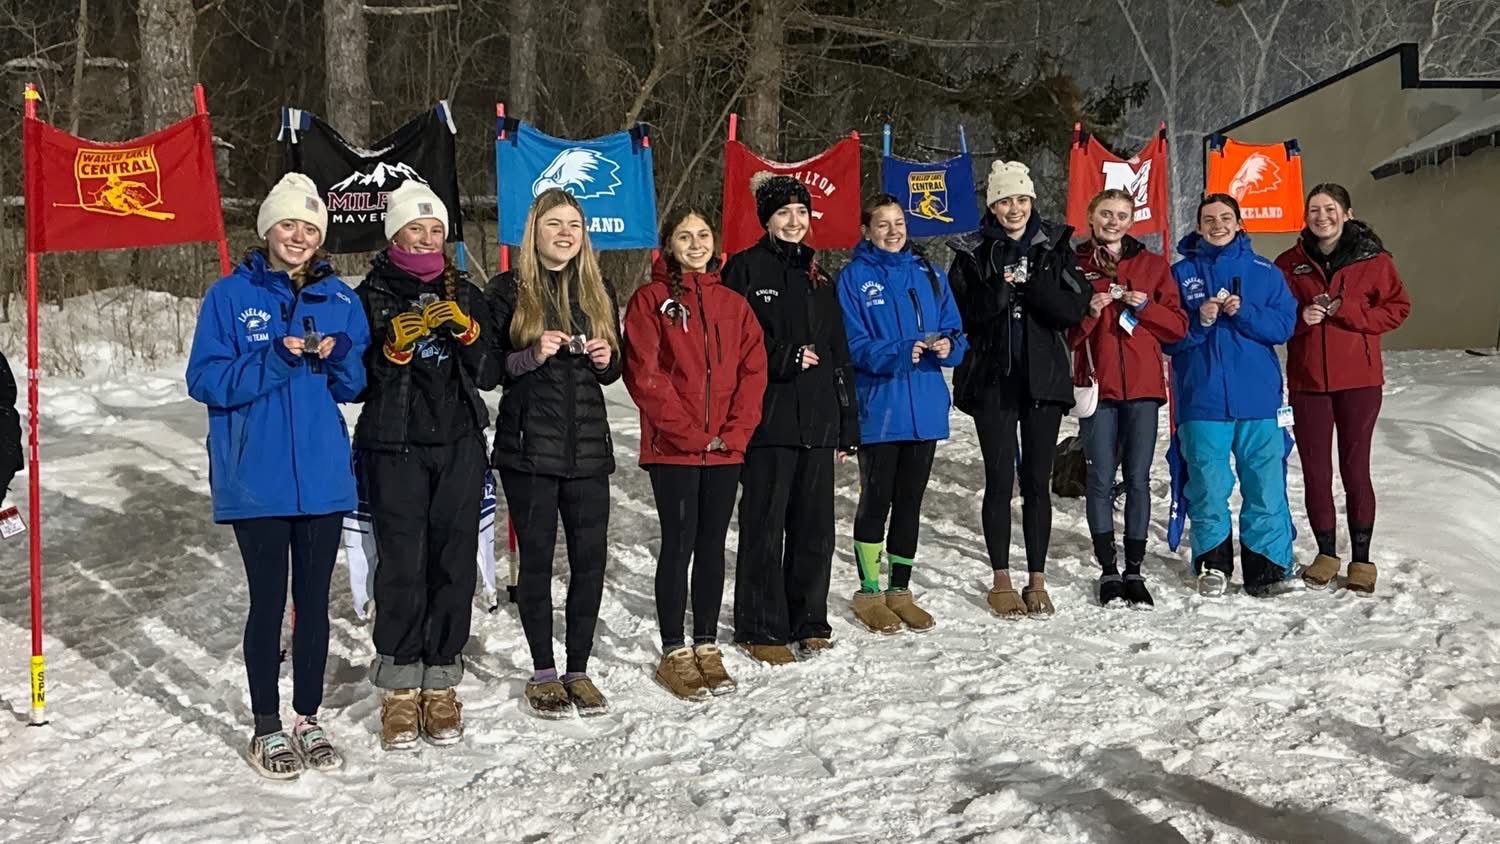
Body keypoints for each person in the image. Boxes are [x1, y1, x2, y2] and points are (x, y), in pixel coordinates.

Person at [186, 173, 369, 778]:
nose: (299, 236)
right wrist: (273, 357)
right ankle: (266, 726)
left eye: (310, 228)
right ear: (268, 228)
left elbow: (357, 384)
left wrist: (341, 357)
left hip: (320, 477)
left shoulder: (340, 298)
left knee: (313, 603)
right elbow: (206, 381)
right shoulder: (228, 297)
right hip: (255, 479)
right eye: (288, 224)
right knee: (269, 603)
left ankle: (308, 717)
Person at [355, 180, 500, 749]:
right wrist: (390, 354)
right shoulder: (369, 294)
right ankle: (397, 684)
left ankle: (441, 675)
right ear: (395, 234)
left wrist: (466, 333)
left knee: (453, 559)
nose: (427, 237)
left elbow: (490, 372)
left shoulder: (465, 290)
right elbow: (352, 381)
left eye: (436, 229)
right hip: (396, 445)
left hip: (460, 440)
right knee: (401, 563)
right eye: (415, 228)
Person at [487, 189, 623, 718]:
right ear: (535, 231)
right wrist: (530, 354)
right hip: (530, 452)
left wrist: (608, 357)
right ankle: (544, 670)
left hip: (588, 450)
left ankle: (579, 668)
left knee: (590, 562)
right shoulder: (506, 290)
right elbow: (488, 370)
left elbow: (613, 371)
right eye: (554, 224)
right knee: (537, 564)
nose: (565, 233)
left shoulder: (598, 287)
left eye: (574, 224)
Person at [623, 209, 768, 701]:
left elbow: (754, 372)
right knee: (679, 543)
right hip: (675, 450)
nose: (696, 243)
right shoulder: (650, 301)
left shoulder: (733, 303)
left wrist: (735, 431)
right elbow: (645, 374)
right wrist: (690, 434)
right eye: (685, 236)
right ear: (669, 244)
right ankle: (673, 650)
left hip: (725, 451)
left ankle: (705, 643)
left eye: (704, 234)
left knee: (712, 546)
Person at [724, 172, 859, 664]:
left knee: (814, 528)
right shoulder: (744, 270)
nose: (794, 221)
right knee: (765, 524)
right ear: (767, 220)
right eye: (784, 213)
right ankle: (761, 625)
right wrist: (783, 356)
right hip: (768, 421)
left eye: (801, 213)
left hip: (818, 422)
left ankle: (810, 620)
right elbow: (734, 344)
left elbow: (838, 354)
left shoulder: (820, 276)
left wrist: (848, 421)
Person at [948, 161, 1091, 617]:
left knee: (1036, 482)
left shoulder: (1057, 245)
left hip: (1043, 382)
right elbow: (963, 312)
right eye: (1006, 200)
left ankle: (1037, 578)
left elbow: (1073, 308)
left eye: (1022, 199)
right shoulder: (972, 251)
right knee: (998, 481)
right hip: (993, 381)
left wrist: (1032, 289)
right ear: (993, 205)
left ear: (1032, 202)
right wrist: (1002, 290)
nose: (1015, 209)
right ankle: (1001, 578)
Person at [836, 193, 967, 634]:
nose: (893, 232)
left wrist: (951, 347)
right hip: (880, 407)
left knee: (910, 502)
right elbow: (850, 346)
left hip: (925, 406)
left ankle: (900, 590)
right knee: (877, 499)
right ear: (866, 231)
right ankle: (869, 591)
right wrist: (895, 351)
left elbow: (956, 330)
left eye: (899, 224)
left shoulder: (929, 273)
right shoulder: (854, 278)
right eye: (883, 225)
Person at [1275, 183, 1410, 594]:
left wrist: (1350, 311)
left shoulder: (1375, 260)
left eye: (1330, 209)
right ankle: (1326, 553)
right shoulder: (1289, 263)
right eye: (1314, 210)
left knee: (1355, 470)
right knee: (1316, 473)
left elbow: (1398, 309)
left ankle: (1362, 559)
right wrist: (1302, 317)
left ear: (1347, 213)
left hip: (1360, 382)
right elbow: (1277, 317)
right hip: (1308, 383)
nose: (1322, 216)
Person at [1163, 193, 1299, 597]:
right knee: (1207, 484)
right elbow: (1168, 338)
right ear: (1199, 226)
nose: (1217, 225)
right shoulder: (1180, 273)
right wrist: (1199, 322)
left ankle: (1268, 568)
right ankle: (1212, 566)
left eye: (1225, 218)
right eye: (1209, 219)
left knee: (1264, 483)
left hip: (1258, 399)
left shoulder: (1265, 271)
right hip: (1202, 400)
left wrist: (1245, 313)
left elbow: (1284, 326)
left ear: (1240, 224)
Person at [1068, 189, 1188, 607]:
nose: (1113, 221)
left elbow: (1177, 328)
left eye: (1121, 214)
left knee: (1137, 479)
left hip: (1142, 389)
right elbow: (1062, 332)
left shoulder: (1153, 265)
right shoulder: (1074, 264)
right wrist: (1091, 311)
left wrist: (1147, 306)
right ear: (1091, 216)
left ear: (1131, 219)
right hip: (1098, 387)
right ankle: (1107, 570)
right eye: (1106, 214)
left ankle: (1134, 570)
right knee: (1100, 479)